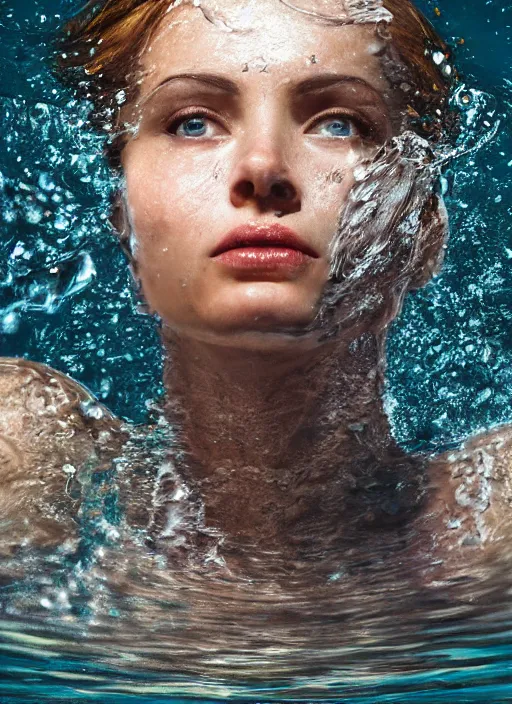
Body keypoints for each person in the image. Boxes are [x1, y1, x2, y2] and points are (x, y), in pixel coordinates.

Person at [0, 0, 510, 581]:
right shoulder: (27, 461)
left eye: (338, 122)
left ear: (421, 232)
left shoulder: (496, 525)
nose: (263, 168)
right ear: (126, 228)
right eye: (193, 122)